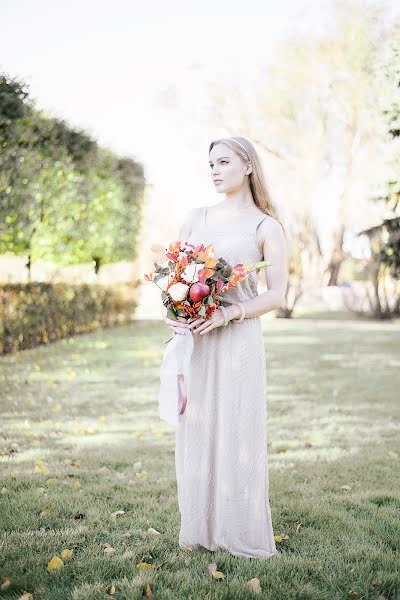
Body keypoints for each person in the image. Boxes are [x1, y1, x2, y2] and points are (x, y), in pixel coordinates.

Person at [162, 136, 288, 559]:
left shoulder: (265, 226)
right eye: (210, 163)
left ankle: (239, 530)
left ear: (248, 165)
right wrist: (175, 310)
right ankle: (199, 528)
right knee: (198, 429)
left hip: (238, 339)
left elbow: (276, 295)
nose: (214, 170)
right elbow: (175, 277)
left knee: (237, 430)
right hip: (197, 340)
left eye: (224, 162)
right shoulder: (196, 217)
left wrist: (229, 314)